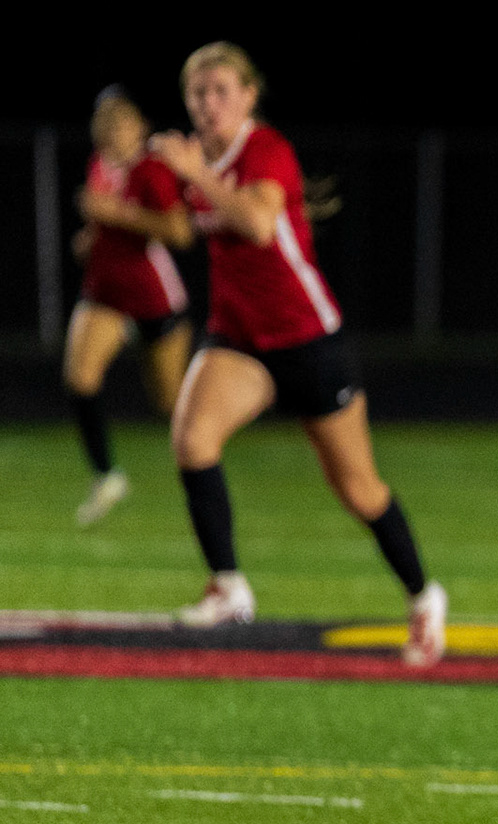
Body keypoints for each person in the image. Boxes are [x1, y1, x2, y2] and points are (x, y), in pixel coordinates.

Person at [149, 42, 446, 666]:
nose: (208, 104)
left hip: (307, 338)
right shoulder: (195, 160)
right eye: (198, 93)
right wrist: (133, 193)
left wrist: (195, 174)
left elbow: (259, 226)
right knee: (192, 440)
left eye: (221, 90)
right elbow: (178, 230)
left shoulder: (264, 149)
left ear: (249, 95)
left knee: (359, 489)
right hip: (239, 338)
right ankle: (229, 586)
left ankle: (424, 595)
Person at [65, 87, 193, 526]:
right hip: (104, 293)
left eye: (121, 122)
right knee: (80, 378)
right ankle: (106, 476)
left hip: (154, 296)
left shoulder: (152, 170)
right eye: (105, 122)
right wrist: (89, 238)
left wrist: (117, 214)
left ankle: (200, 482)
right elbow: (101, 222)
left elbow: (180, 232)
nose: (112, 131)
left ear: (140, 127)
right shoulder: (99, 164)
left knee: (172, 405)